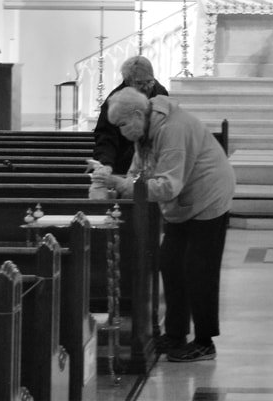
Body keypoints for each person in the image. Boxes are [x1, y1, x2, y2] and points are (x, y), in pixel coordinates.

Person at [92, 86, 236, 362]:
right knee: (170, 264)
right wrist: (115, 183)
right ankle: (175, 334)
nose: (121, 131)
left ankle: (205, 342)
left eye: (122, 124)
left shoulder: (172, 129)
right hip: (184, 203)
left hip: (208, 196)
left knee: (199, 270)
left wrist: (123, 185)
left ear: (137, 114)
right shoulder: (145, 128)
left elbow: (168, 185)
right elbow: (139, 169)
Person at [89, 56, 168, 199]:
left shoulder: (161, 93)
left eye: (149, 82)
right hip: (124, 163)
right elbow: (106, 137)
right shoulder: (115, 101)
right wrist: (106, 164)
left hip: (153, 167)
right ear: (127, 82)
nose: (146, 88)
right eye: (139, 83)